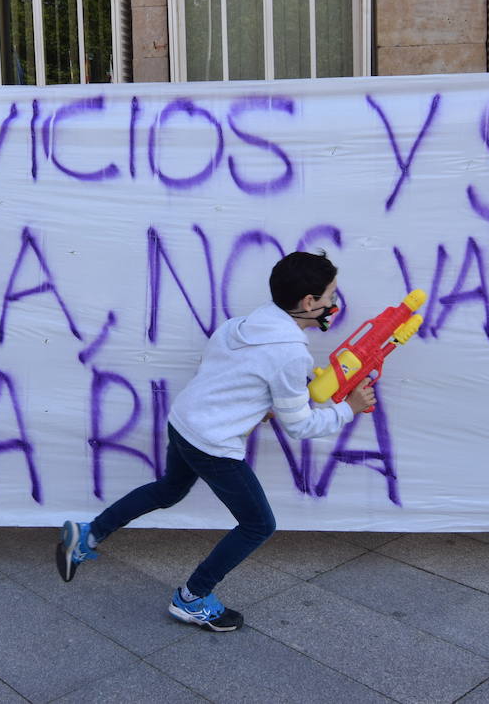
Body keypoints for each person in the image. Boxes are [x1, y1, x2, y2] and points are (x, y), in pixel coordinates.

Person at [55, 251, 375, 632]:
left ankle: (88, 534)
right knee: (258, 525)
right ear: (309, 303)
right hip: (212, 443)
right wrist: (349, 409)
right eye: (331, 296)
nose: (334, 304)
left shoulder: (240, 325)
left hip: (184, 421)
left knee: (168, 490)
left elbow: (225, 376)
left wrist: (260, 405)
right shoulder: (291, 354)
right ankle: (191, 598)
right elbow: (300, 427)